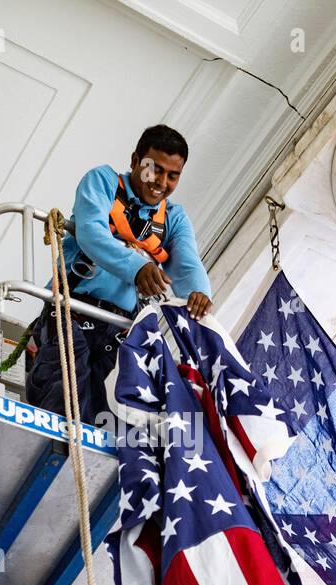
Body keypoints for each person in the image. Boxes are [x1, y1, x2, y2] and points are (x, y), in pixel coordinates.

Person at [25, 124, 212, 426]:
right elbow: (91, 232)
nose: (160, 182)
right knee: (65, 391)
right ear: (136, 160)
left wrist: (200, 296)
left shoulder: (173, 218)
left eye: (172, 175)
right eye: (154, 169)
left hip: (116, 330)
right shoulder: (104, 182)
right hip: (72, 310)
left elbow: (187, 265)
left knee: (101, 411)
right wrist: (137, 267)